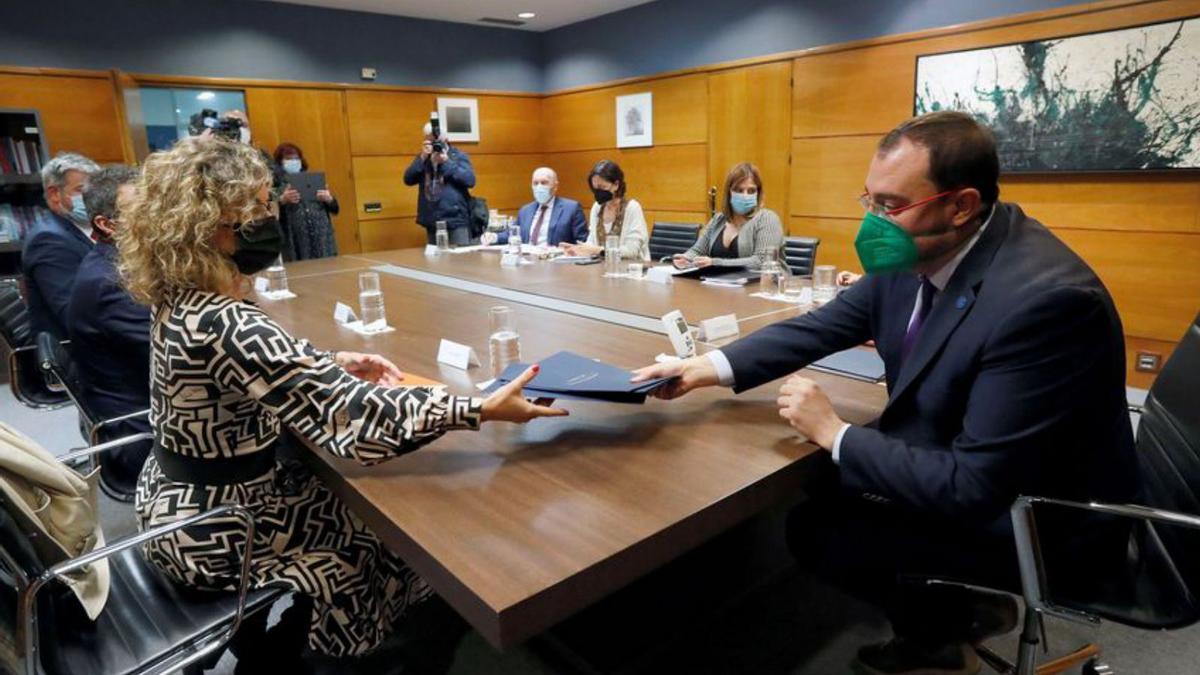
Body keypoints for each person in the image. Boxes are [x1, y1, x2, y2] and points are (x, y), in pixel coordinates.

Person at [632, 111, 1138, 675]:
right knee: (826, 479)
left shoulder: (1045, 302)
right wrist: (706, 366)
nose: (873, 221)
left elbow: (972, 489)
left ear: (961, 204)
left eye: (890, 205)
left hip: (1041, 519)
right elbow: (818, 328)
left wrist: (835, 431)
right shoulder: (923, 248)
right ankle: (961, 606)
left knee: (816, 530)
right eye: (869, 199)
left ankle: (940, 641)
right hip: (973, 460)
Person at [118, 137, 565, 672]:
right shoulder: (227, 319)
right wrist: (479, 408)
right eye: (258, 206)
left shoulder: (180, 297)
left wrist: (325, 361)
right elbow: (353, 423)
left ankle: (299, 641)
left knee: (378, 517)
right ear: (216, 222)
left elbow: (243, 372)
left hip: (176, 498)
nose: (269, 217)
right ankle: (364, 655)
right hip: (223, 524)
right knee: (396, 539)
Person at [66, 165, 150, 500]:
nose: (154, 215)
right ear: (106, 224)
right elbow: (183, 355)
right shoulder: (111, 283)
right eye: (141, 208)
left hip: (136, 405)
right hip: (142, 432)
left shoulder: (114, 264)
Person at [22, 152, 99, 339]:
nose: (92, 197)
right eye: (81, 190)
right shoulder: (48, 240)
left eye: (94, 190)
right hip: (76, 353)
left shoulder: (90, 228)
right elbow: (74, 315)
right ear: (54, 194)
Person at [673, 162, 784, 269]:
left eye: (751, 190)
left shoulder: (767, 218)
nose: (745, 195)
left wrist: (715, 262)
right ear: (729, 192)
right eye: (739, 190)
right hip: (722, 284)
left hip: (763, 285)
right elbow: (698, 250)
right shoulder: (719, 219)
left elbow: (762, 261)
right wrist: (686, 258)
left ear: (758, 193)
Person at [403, 120, 476, 246]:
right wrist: (422, 157)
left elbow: (470, 180)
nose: (434, 144)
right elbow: (408, 179)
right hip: (432, 220)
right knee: (435, 262)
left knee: (460, 260)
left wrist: (446, 162)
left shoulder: (458, 156)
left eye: (437, 141)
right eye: (430, 140)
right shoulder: (423, 158)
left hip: (455, 219)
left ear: (446, 139)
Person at [561, 160, 649, 261]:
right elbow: (592, 242)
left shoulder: (632, 208)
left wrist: (599, 251)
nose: (598, 192)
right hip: (600, 269)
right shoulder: (597, 207)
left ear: (616, 185)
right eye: (595, 189)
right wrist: (578, 249)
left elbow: (632, 251)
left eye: (602, 187)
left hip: (630, 270)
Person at [483, 167, 587, 247]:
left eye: (544, 183)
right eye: (535, 183)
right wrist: (494, 237)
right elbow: (513, 234)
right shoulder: (525, 210)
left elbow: (582, 243)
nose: (539, 187)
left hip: (555, 265)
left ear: (555, 186)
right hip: (527, 262)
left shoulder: (571, 208)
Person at [274, 142, 340, 260]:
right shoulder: (275, 185)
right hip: (295, 241)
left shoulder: (313, 180)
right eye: (288, 159)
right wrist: (282, 200)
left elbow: (335, 209)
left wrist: (328, 199)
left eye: (296, 158)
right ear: (280, 162)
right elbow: (269, 213)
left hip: (321, 239)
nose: (293, 162)